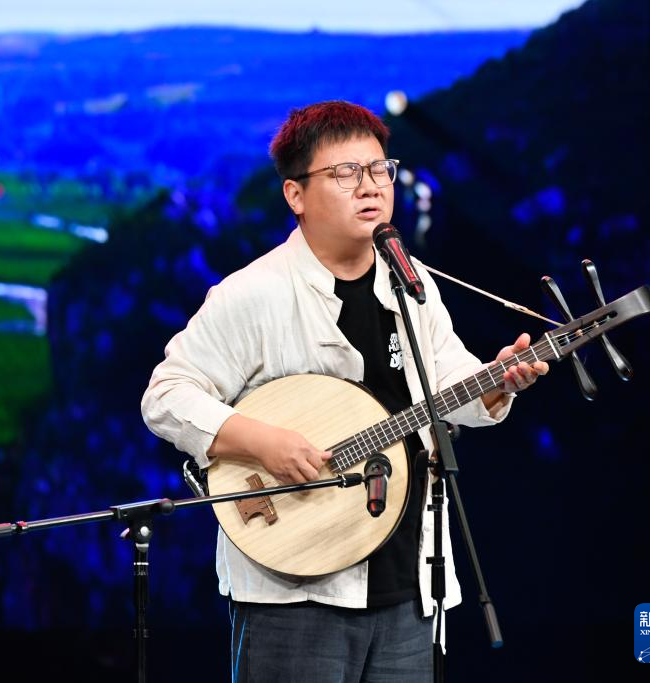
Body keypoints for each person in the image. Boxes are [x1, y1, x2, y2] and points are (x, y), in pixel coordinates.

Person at [140, 100, 548, 682]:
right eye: (346, 173)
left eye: (380, 169)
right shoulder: (254, 293)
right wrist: (263, 442)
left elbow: (447, 385)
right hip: (297, 582)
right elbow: (165, 395)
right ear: (296, 194)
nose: (371, 186)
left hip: (409, 579)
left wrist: (496, 382)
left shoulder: (412, 282)